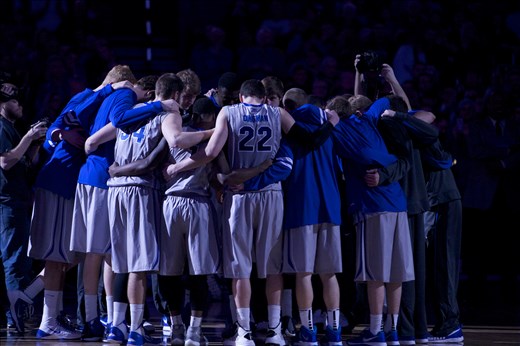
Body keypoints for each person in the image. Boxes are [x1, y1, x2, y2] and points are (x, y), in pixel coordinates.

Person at [163, 79, 340, 345]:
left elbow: (210, 152)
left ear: (243, 97)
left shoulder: (228, 112)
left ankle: (244, 332)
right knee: (272, 268)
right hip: (270, 194)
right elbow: (309, 140)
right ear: (263, 96)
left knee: (240, 267)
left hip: (239, 196)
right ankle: (275, 331)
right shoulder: (278, 113)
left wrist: (179, 168)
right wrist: (330, 124)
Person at [28, 68, 135, 340]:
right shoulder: (92, 96)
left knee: (69, 255)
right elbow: (56, 127)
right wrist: (107, 90)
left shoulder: (99, 101)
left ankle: (34, 302)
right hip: (60, 181)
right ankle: (50, 320)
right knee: (59, 257)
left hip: (70, 184)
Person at [110, 96, 223, 345]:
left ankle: (176, 327)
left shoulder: (174, 132)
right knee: (198, 273)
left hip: (170, 205)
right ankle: (194, 330)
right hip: (198, 204)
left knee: (168, 273)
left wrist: (118, 169)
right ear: (209, 117)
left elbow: (150, 162)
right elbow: (219, 171)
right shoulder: (213, 135)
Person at [69, 67, 156, 341]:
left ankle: (109, 317)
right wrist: (157, 107)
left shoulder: (112, 96)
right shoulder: (128, 95)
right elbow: (119, 121)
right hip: (100, 177)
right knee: (96, 253)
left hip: (97, 177)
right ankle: (93, 318)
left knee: (109, 253)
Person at [326, 95, 415, 346]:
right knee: (396, 271)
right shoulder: (369, 119)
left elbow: (354, 150)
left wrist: (331, 121)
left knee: (376, 272)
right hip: (397, 204)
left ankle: (376, 331)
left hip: (373, 207)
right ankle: (392, 331)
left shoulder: (339, 131)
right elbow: (387, 100)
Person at [280, 87, 343, 346]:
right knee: (329, 274)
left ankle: (307, 331)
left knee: (303, 274)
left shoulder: (290, 135)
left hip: (301, 207)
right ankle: (335, 331)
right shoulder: (331, 134)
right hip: (330, 206)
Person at [0, 82, 48, 333]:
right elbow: (6, 162)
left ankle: (13, 314)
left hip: (15, 200)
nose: (20, 105)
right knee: (15, 260)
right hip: (8, 203)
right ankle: (16, 316)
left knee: (15, 258)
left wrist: (35, 143)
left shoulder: (11, 129)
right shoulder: (1, 127)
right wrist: (28, 137)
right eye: (15, 101)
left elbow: (25, 163)